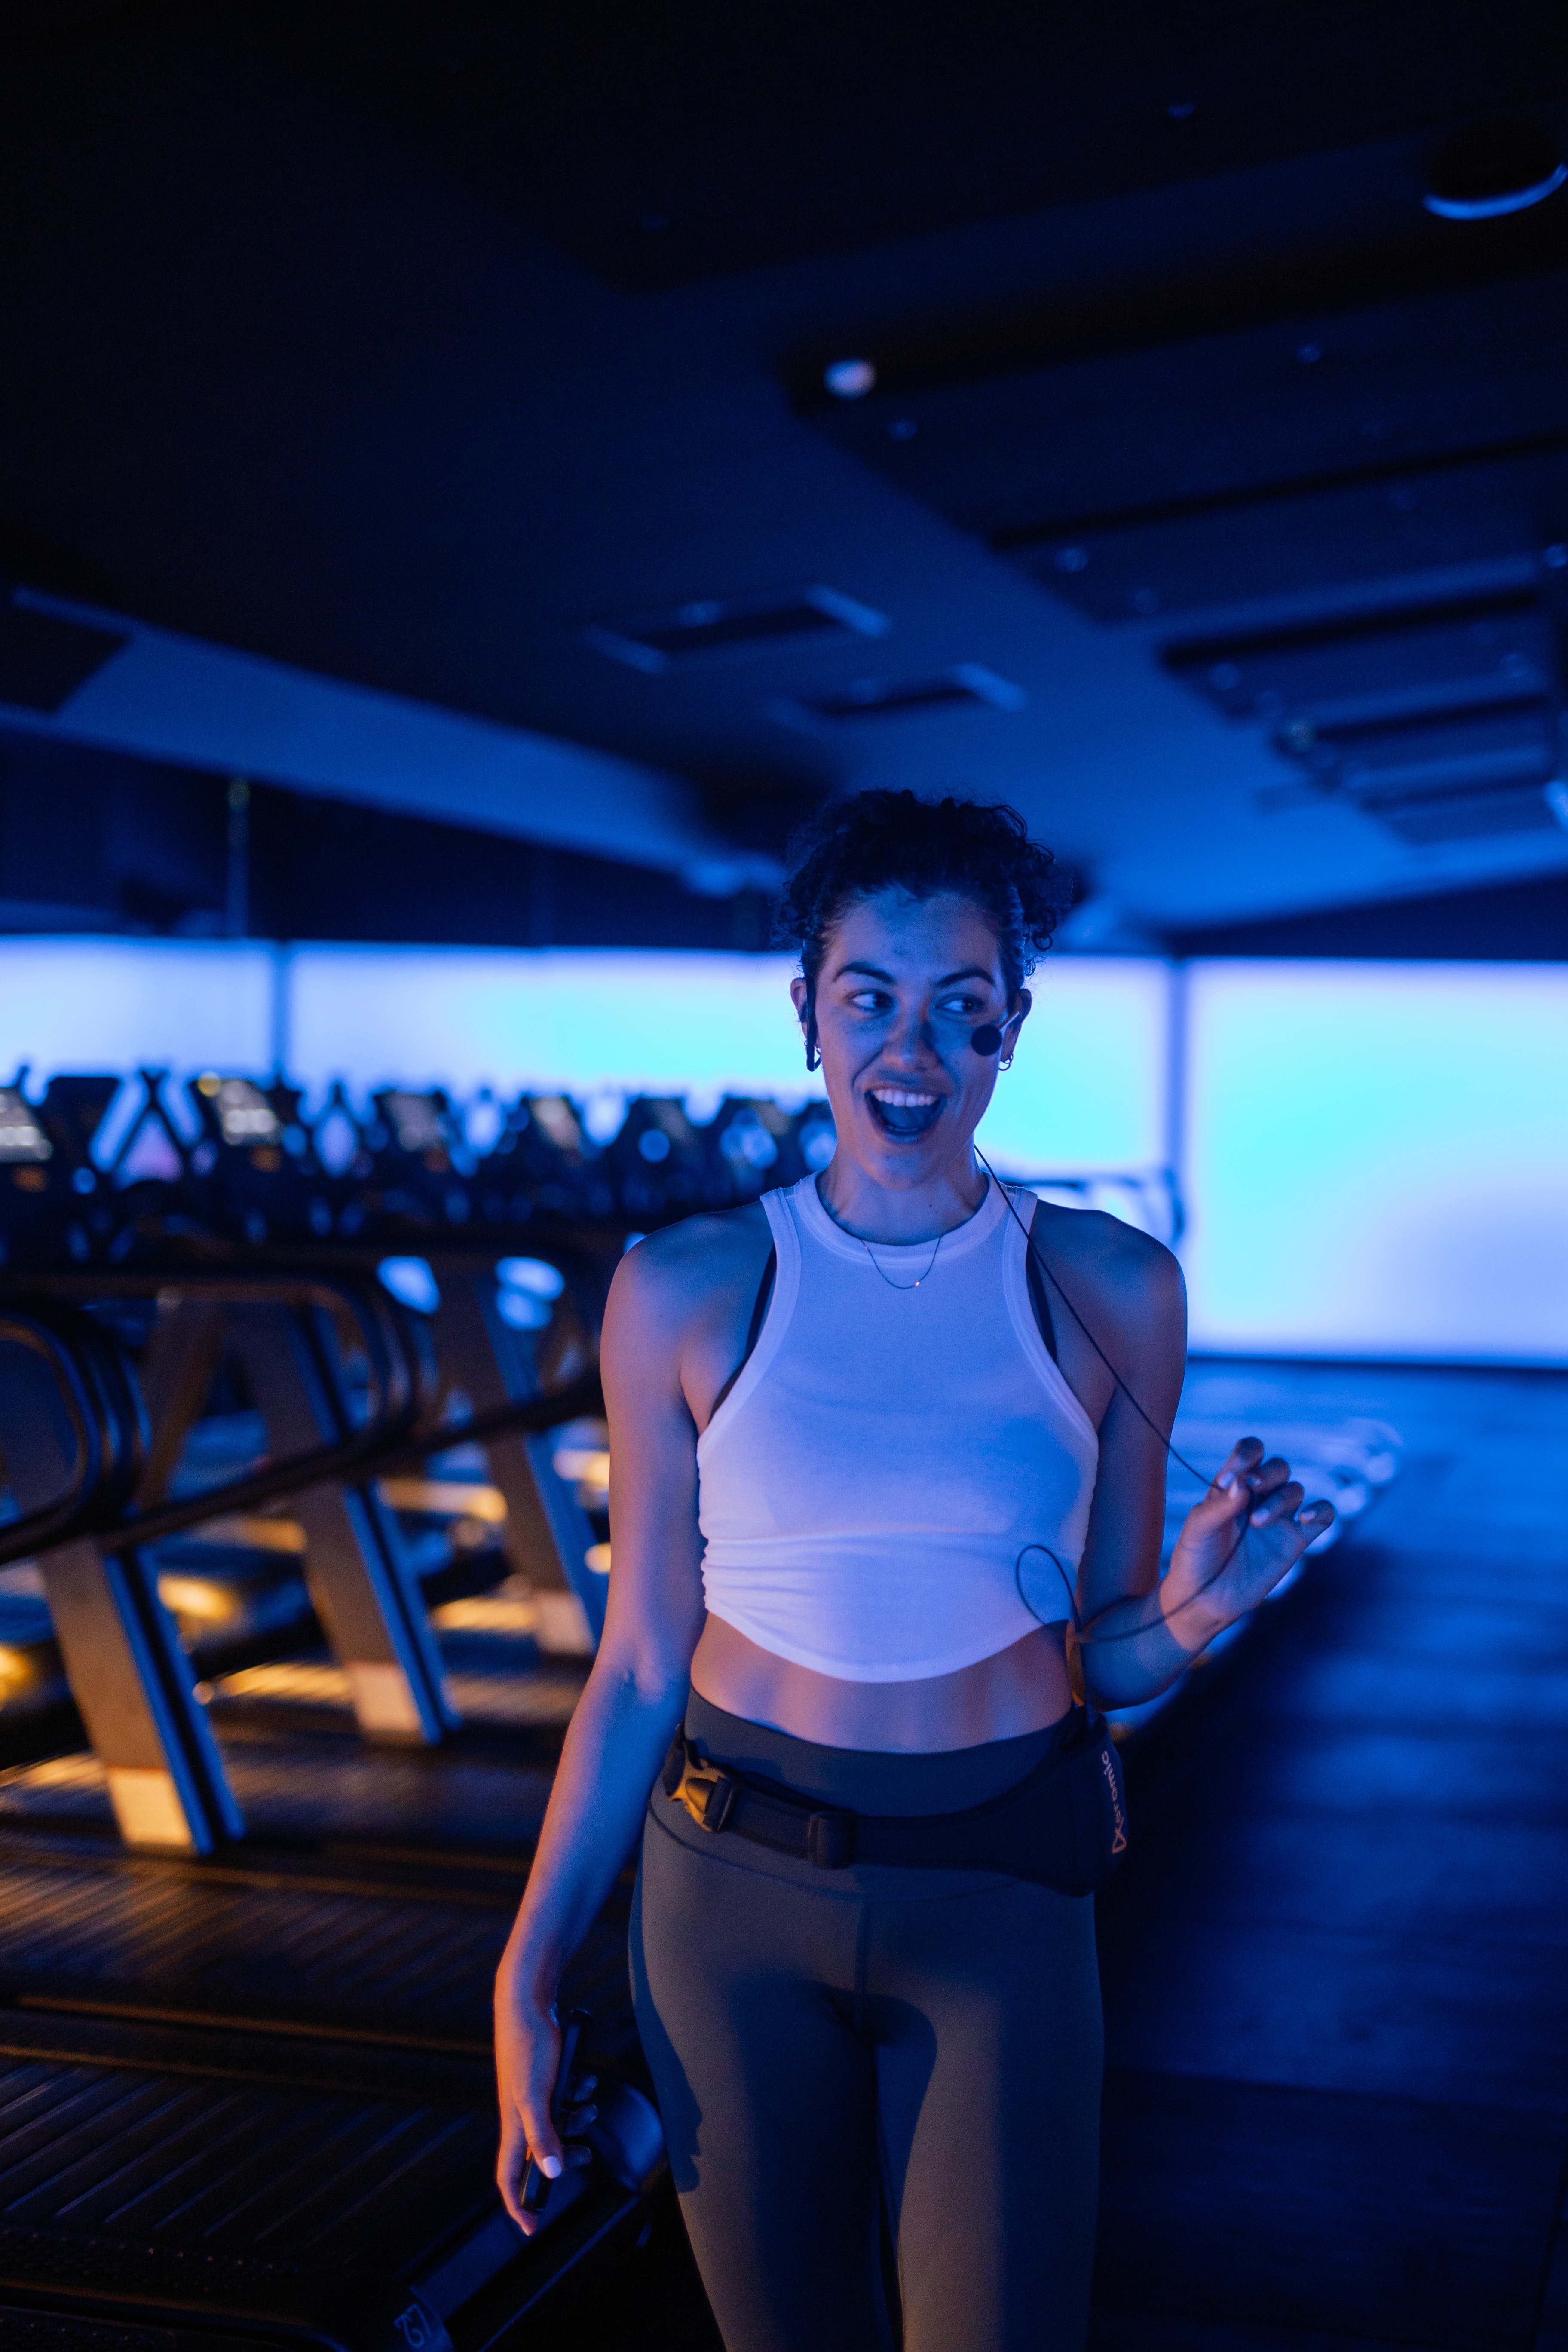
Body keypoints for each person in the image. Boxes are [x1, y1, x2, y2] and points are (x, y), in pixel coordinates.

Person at [494, 790, 1333, 2352]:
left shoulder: (1108, 1287)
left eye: (961, 1008)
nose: (912, 1052)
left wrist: (1218, 1596)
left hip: (1003, 1892)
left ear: (1013, 1025)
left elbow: (1110, 1653)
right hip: (727, 1897)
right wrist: (531, 1962)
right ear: (807, 1009)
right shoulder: (684, 1287)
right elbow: (637, 1668)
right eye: (871, 998)